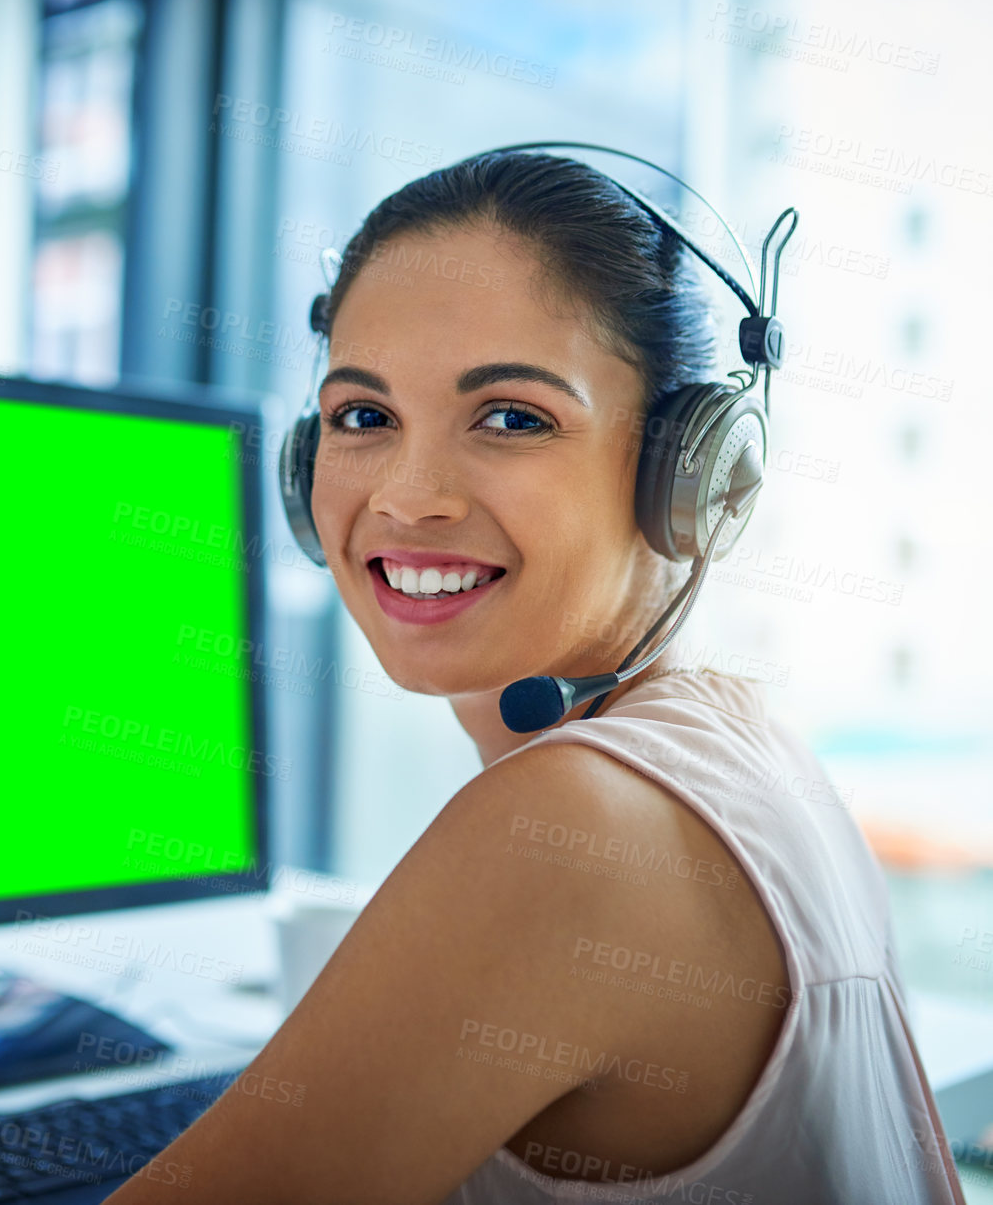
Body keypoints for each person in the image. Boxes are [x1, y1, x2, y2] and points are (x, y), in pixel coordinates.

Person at [100, 150, 965, 1204]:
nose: (408, 499)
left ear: (691, 470)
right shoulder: (742, 743)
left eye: (512, 417)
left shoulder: (571, 826)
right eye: (363, 416)